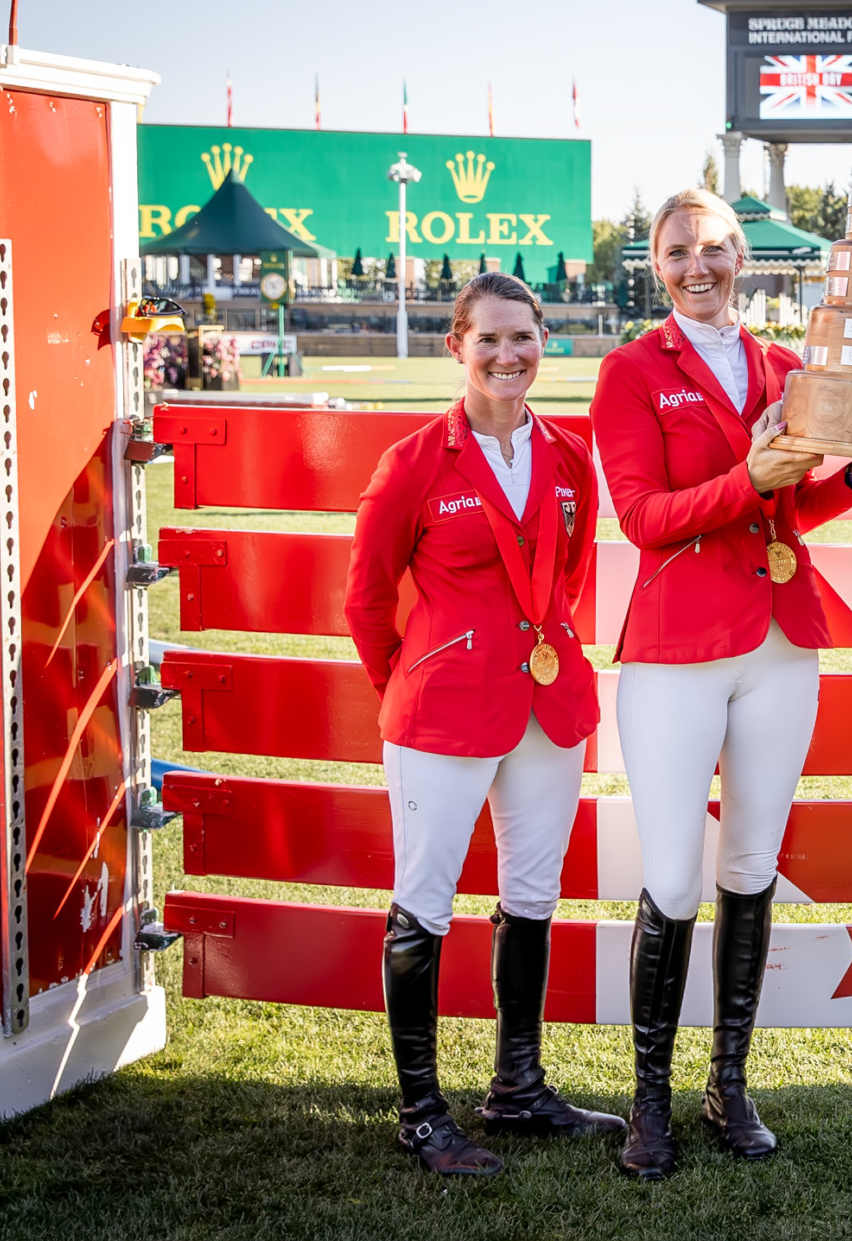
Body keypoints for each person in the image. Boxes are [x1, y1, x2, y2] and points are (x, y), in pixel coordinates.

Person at [590, 189, 852, 1181]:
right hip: (677, 649)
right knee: (677, 878)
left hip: (779, 641)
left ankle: (729, 1087)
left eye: (717, 249)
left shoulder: (782, 365)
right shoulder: (631, 371)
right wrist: (756, 480)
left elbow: (794, 507)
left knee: (752, 868)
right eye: (681, 251)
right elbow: (644, 517)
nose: (701, 266)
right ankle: (649, 1101)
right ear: (657, 265)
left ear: (742, 259)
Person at [345, 271, 626, 1178]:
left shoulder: (571, 454)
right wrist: (418, 686)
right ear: (456, 349)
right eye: (489, 340)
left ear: (546, 341)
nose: (509, 356)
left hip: (548, 705)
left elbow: (569, 576)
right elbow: (366, 600)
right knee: (424, 902)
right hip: (441, 713)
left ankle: (518, 1085)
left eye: (524, 338)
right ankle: (422, 1114)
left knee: (531, 895)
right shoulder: (416, 460)